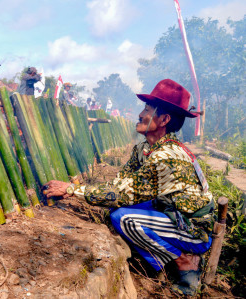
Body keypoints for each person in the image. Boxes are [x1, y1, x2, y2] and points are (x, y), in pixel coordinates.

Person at [43, 79, 214, 296]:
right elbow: (120, 183)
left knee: (124, 218)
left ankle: (184, 261)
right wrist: (81, 191)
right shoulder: (145, 148)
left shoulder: (167, 157)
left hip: (193, 229)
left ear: (164, 119)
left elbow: (121, 194)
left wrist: (71, 189)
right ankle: (166, 253)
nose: (140, 115)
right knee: (114, 212)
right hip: (170, 211)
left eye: (147, 110)